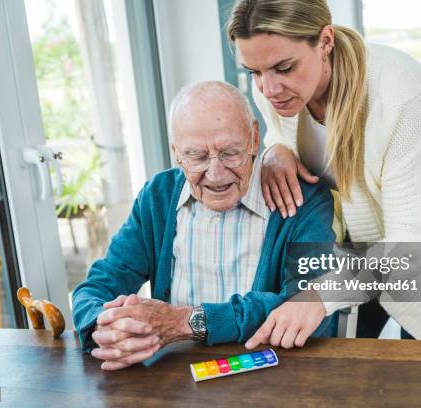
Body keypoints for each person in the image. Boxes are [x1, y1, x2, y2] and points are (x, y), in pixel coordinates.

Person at [224, 0, 421, 349]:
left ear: (325, 41)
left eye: (284, 67)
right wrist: (275, 150)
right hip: (357, 250)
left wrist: (320, 297)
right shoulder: (274, 91)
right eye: (254, 72)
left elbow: (411, 248)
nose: (268, 89)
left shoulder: (398, 91)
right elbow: (286, 134)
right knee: (338, 360)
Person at [72, 81, 337, 370]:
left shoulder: (302, 198)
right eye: (196, 156)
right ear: (176, 152)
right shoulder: (157, 197)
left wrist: (184, 322)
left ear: (254, 137)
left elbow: (304, 302)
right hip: (175, 378)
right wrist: (107, 326)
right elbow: (98, 285)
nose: (215, 173)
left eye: (230, 152)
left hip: (272, 375)